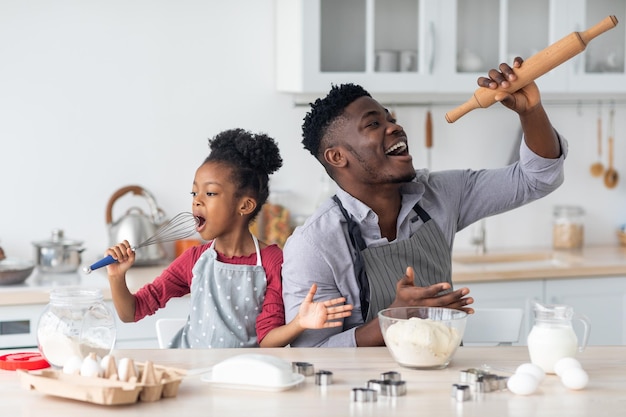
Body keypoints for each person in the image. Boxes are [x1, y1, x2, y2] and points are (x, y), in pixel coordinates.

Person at [282, 59, 567, 347]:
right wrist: (394, 319)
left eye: (390, 119)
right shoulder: (314, 245)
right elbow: (312, 354)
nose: (394, 128)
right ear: (337, 157)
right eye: (373, 124)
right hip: (363, 388)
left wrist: (531, 111)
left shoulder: (441, 194)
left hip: (445, 376)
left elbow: (537, 178)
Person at [105, 128, 353, 348]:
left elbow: (268, 339)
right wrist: (117, 277)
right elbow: (131, 312)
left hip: (243, 378)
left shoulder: (272, 261)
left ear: (244, 206)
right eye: (194, 192)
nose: (197, 200)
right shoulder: (194, 260)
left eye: (210, 192)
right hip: (193, 375)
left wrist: (299, 322)